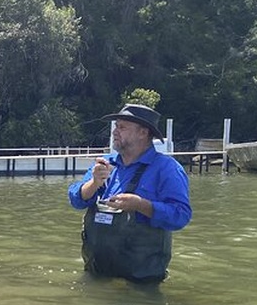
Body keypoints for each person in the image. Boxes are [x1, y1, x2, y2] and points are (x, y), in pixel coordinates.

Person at [68, 104, 192, 283]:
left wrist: (140, 205)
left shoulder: (167, 169)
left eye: (122, 127)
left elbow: (180, 216)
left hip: (142, 279)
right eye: (116, 126)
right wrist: (94, 184)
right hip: (97, 273)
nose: (115, 132)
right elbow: (76, 200)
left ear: (143, 133)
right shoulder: (103, 164)